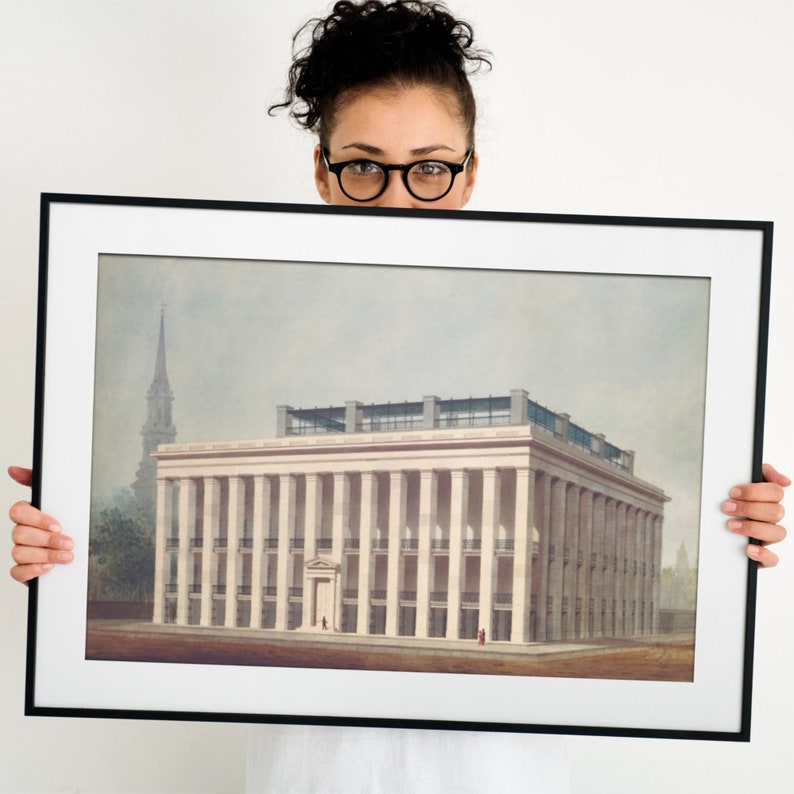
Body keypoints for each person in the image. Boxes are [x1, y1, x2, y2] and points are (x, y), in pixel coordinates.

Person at [7, 2, 790, 791]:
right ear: (321, 169)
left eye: (428, 166)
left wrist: (740, 534)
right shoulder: (275, 295)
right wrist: (63, 533)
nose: (395, 198)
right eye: (362, 165)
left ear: (470, 169)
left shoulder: (538, 287)